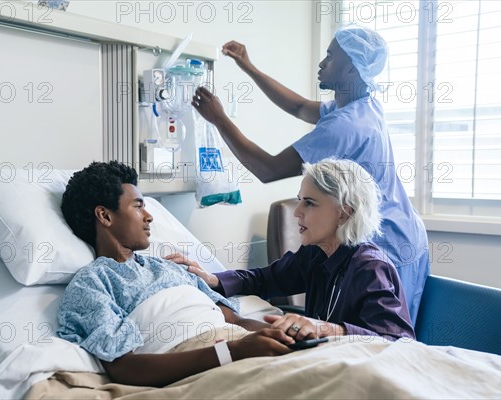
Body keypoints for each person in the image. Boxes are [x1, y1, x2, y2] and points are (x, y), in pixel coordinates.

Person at [191, 24, 429, 323]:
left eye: (330, 57)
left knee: (383, 337)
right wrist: (248, 67)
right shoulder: (361, 105)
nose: (321, 63)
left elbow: (268, 169)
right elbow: (299, 105)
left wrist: (219, 119)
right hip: (402, 229)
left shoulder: (346, 126)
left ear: (352, 71)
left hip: (386, 239)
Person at [56, 161, 295, 388]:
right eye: (138, 206)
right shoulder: (91, 284)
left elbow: (237, 321)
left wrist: (285, 335)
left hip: (245, 345)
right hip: (206, 363)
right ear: (105, 216)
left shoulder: (171, 267)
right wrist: (232, 352)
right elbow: (125, 368)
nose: (149, 216)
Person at [172, 158, 415, 341]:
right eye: (299, 200)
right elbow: (264, 279)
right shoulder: (316, 253)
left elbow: (397, 341)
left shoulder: (370, 268)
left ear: (344, 212)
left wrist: (329, 329)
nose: (297, 212)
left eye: (309, 203)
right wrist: (213, 279)